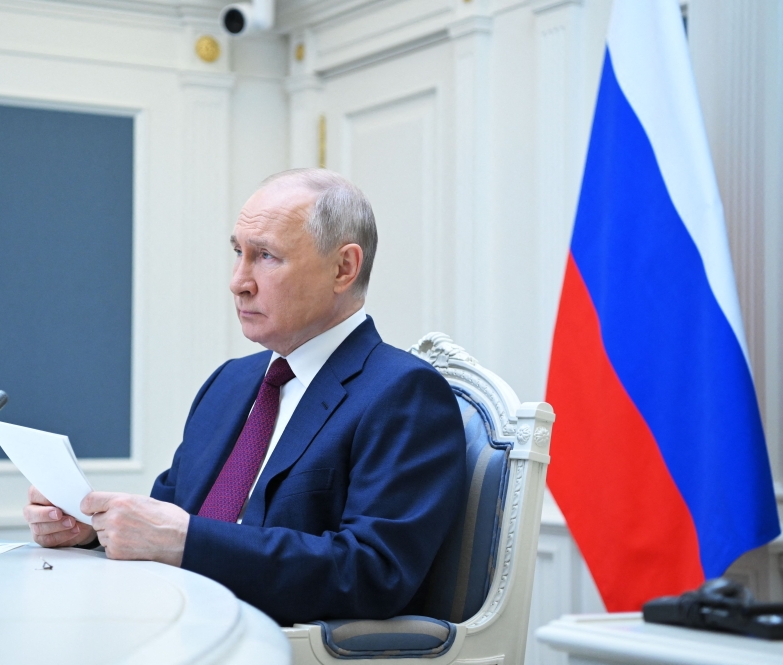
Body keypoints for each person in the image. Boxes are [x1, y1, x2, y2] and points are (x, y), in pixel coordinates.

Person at [23, 169, 465, 626]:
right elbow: (171, 518)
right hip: (172, 623)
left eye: (266, 256)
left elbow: (374, 573)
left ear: (343, 269)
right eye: (238, 252)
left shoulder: (404, 392)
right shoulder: (229, 382)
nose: (238, 281)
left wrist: (184, 541)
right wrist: (95, 529)